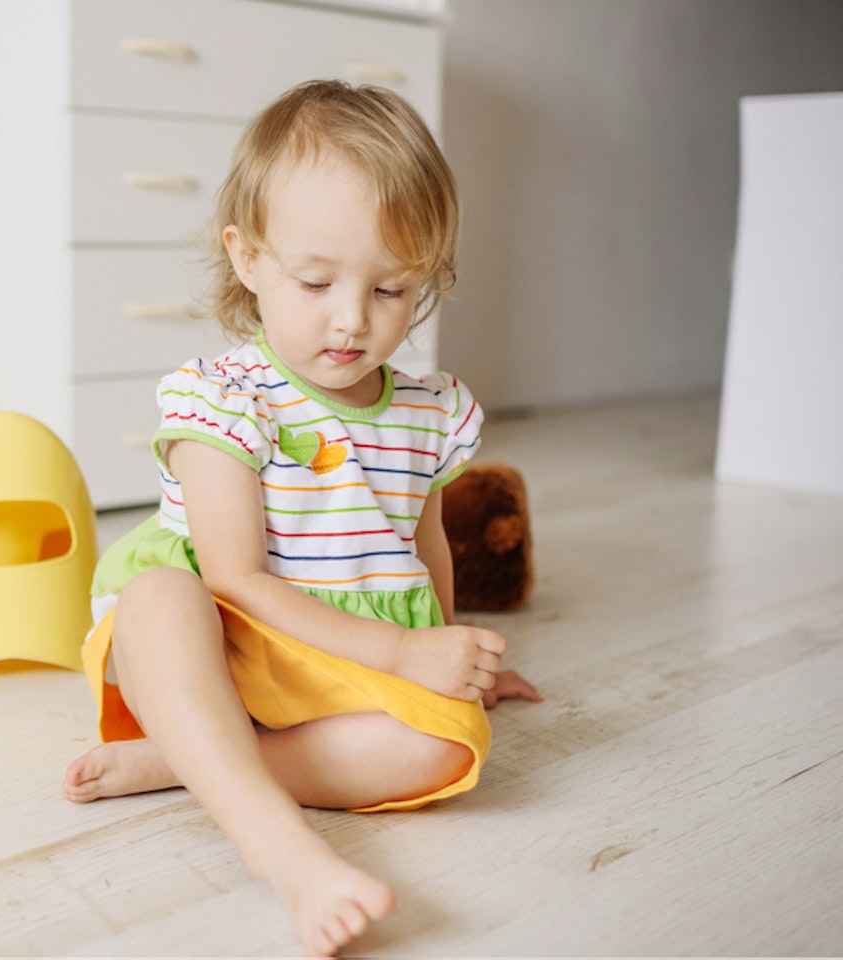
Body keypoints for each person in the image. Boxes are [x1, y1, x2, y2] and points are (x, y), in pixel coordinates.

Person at [61, 80, 541, 957]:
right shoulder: (229, 400)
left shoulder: (429, 410)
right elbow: (232, 579)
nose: (352, 319)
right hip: (226, 644)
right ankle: (284, 851)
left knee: (448, 748)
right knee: (161, 599)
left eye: (392, 289)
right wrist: (399, 655)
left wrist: (450, 653)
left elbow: (422, 541)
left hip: (342, 651)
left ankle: (181, 762)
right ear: (248, 259)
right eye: (316, 280)